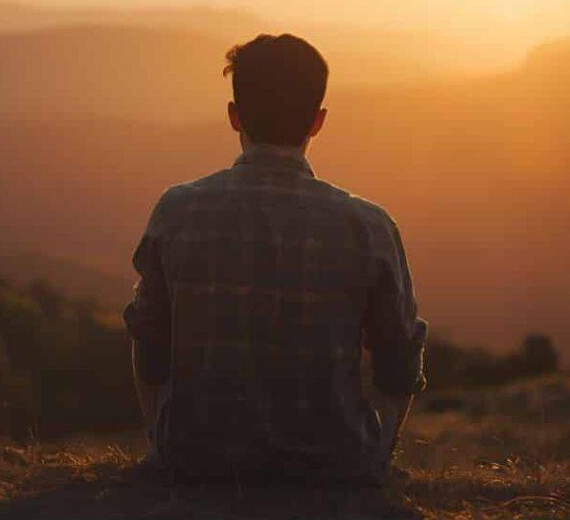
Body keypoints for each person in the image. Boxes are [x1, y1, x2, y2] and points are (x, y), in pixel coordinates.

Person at [123, 33, 426, 482]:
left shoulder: (177, 210)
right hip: (333, 467)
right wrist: (376, 458)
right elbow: (399, 364)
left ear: (233, 116)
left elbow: (149, 346)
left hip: (196, 462)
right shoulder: (370, 226)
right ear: (318, 121)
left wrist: (162, 447)